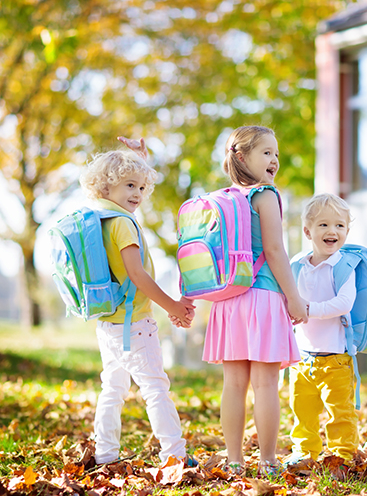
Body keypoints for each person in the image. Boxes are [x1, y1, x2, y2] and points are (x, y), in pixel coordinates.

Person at [79, 137, 197, 467]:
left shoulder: (102, 219)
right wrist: (172, 305)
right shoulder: (123, 226)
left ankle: (105, 453)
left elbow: (125, 180)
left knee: (112, 389)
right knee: (156, 388)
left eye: (142, 188)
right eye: (130, 186)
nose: (138, 194)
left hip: (110, 322)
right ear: (105, 186)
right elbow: (137, 275)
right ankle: (175, 454)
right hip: (135, 324)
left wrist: (138, 159)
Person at [201, 126, 308, 477]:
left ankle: (234, 460)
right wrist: (293, 298)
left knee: (232, 385)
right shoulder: (265, 195)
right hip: (262, 297)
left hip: (228, 300)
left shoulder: (223, 198)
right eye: (266, 153)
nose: (274, 160)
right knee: (265, 385)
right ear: (242, 156)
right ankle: (268, 461)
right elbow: (275, 251)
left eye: (275, 154)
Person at [286, 193, 359, 466]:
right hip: (302, 356)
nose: (332, 231)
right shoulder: (297, 266)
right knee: (302, 410)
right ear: (308, 231)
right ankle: (305, 453)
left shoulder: (343, 267)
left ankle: (342, 456)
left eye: (340, 226)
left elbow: (344, 303)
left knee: (340, 412)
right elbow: (288, 298)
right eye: (324, 225)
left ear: (347, 232)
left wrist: (308, 310)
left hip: (336, 358)